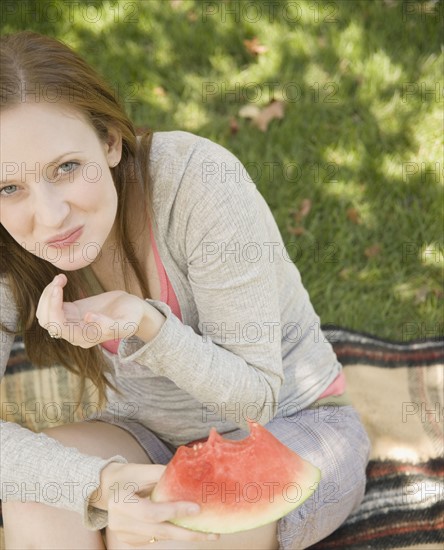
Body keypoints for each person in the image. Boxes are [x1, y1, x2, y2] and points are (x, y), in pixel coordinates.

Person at [0, 31, 371, 550]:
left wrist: (147, 324)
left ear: (109, 141)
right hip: (140, 434)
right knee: (34, 498)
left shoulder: (197, 183)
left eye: (66, 167)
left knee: (183, 534)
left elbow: (255, 399)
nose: (51, 215)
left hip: (290, 425)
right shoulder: (8, 243)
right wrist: (100, 486)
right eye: (9, 187)